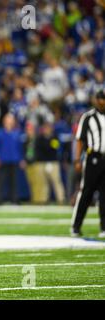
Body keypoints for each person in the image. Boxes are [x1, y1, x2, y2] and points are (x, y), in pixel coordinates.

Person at [71, 89, 105, 238]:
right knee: (86, 193)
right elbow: (80, 139)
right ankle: (76, 226)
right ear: (97, 100)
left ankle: (104, 228)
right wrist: (77, 159)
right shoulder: (88, 117)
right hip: (93, 158)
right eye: (102, 99)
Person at [0, 113, 24, 204]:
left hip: (14, 159)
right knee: (1, 181)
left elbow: (20, 147)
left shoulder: (17, 133)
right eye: (7, 120)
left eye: (11, 120)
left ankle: (14, 199)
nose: (9, 122)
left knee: (14, 181)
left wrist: (21, 159)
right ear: (4, 121)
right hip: (3, 160)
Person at [36, 122, 66, 204]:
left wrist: (48, 144)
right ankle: (43, 199)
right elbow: (40, 149)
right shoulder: (40, 138)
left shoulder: (54, 137)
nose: (46, 130)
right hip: (42, 162)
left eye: (48, 128)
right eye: (45, 128)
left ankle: (61, 199)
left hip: (53, 162)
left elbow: (55, 148)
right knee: (43, 183)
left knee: (56, 181)